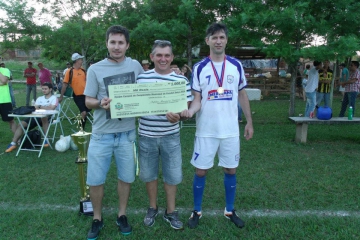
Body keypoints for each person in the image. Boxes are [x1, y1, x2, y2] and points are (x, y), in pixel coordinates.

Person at [180, 22, 254, 229]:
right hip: (206, 130)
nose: (218, 41)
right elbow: (197, 99)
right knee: (201, 171)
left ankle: (229, 210)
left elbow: (242, 94)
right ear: (207, 41)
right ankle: (197, 210)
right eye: (214, 38)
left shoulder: (236, 65)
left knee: (231, 169)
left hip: (230, 130)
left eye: (221, 37)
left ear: (226, 40)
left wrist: (249, 121)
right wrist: (190, 111)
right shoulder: (199, 68)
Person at [84, 25, 143, 239]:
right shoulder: (95, 69)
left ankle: (122, 214)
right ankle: (97, 218)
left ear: (127, 45)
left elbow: (146, 91)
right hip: (101, 135)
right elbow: (88, 101)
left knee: (125, 178)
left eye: (121, 42)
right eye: (112, 42)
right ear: (107, 43)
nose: (116, 46)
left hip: (127, 134)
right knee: (95, 180)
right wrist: (100, 103)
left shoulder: (136, 66)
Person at [136, 40, 192, 230]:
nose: (163, 59)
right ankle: (152, 207)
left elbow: (187, 110)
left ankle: (171, 211)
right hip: (146, 136)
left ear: (172, 57)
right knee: (149, 175)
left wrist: (179, 116)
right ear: (152, 57)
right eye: (159, 55)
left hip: (171, 136)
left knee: (172, 176)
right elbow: (135, 105)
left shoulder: (181, 81)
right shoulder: (141, 79)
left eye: (167, 55)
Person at [5, 82, 58, 153]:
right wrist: (43, 107)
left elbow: (51, 108)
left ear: (50, 89)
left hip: (48, 117)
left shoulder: (54, 98)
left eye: (45, 89)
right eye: (43, 89)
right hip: (35, 116)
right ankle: (13, 143)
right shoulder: (40, 98)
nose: (44, 90)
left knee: (44, 118)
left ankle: (46, 139)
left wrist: (40, 106)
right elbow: (35, 107)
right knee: (21, 124)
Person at [59, 53, 90, 130]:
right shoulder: (69, 72)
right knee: (83, 112)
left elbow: (88, 82)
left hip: (86, 95)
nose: (82, 61)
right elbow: (65, 85)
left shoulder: (83, 70)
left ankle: (82, 128)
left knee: (86, 112)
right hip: (77, 95)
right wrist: (61, 96)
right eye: (80, 59)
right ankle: (81, 129)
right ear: (76, 61)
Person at [0, 66, 16, 134]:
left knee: (11, 120)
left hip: (4, 100)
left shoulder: (5, 70)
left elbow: (4, 81)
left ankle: (17, 139)